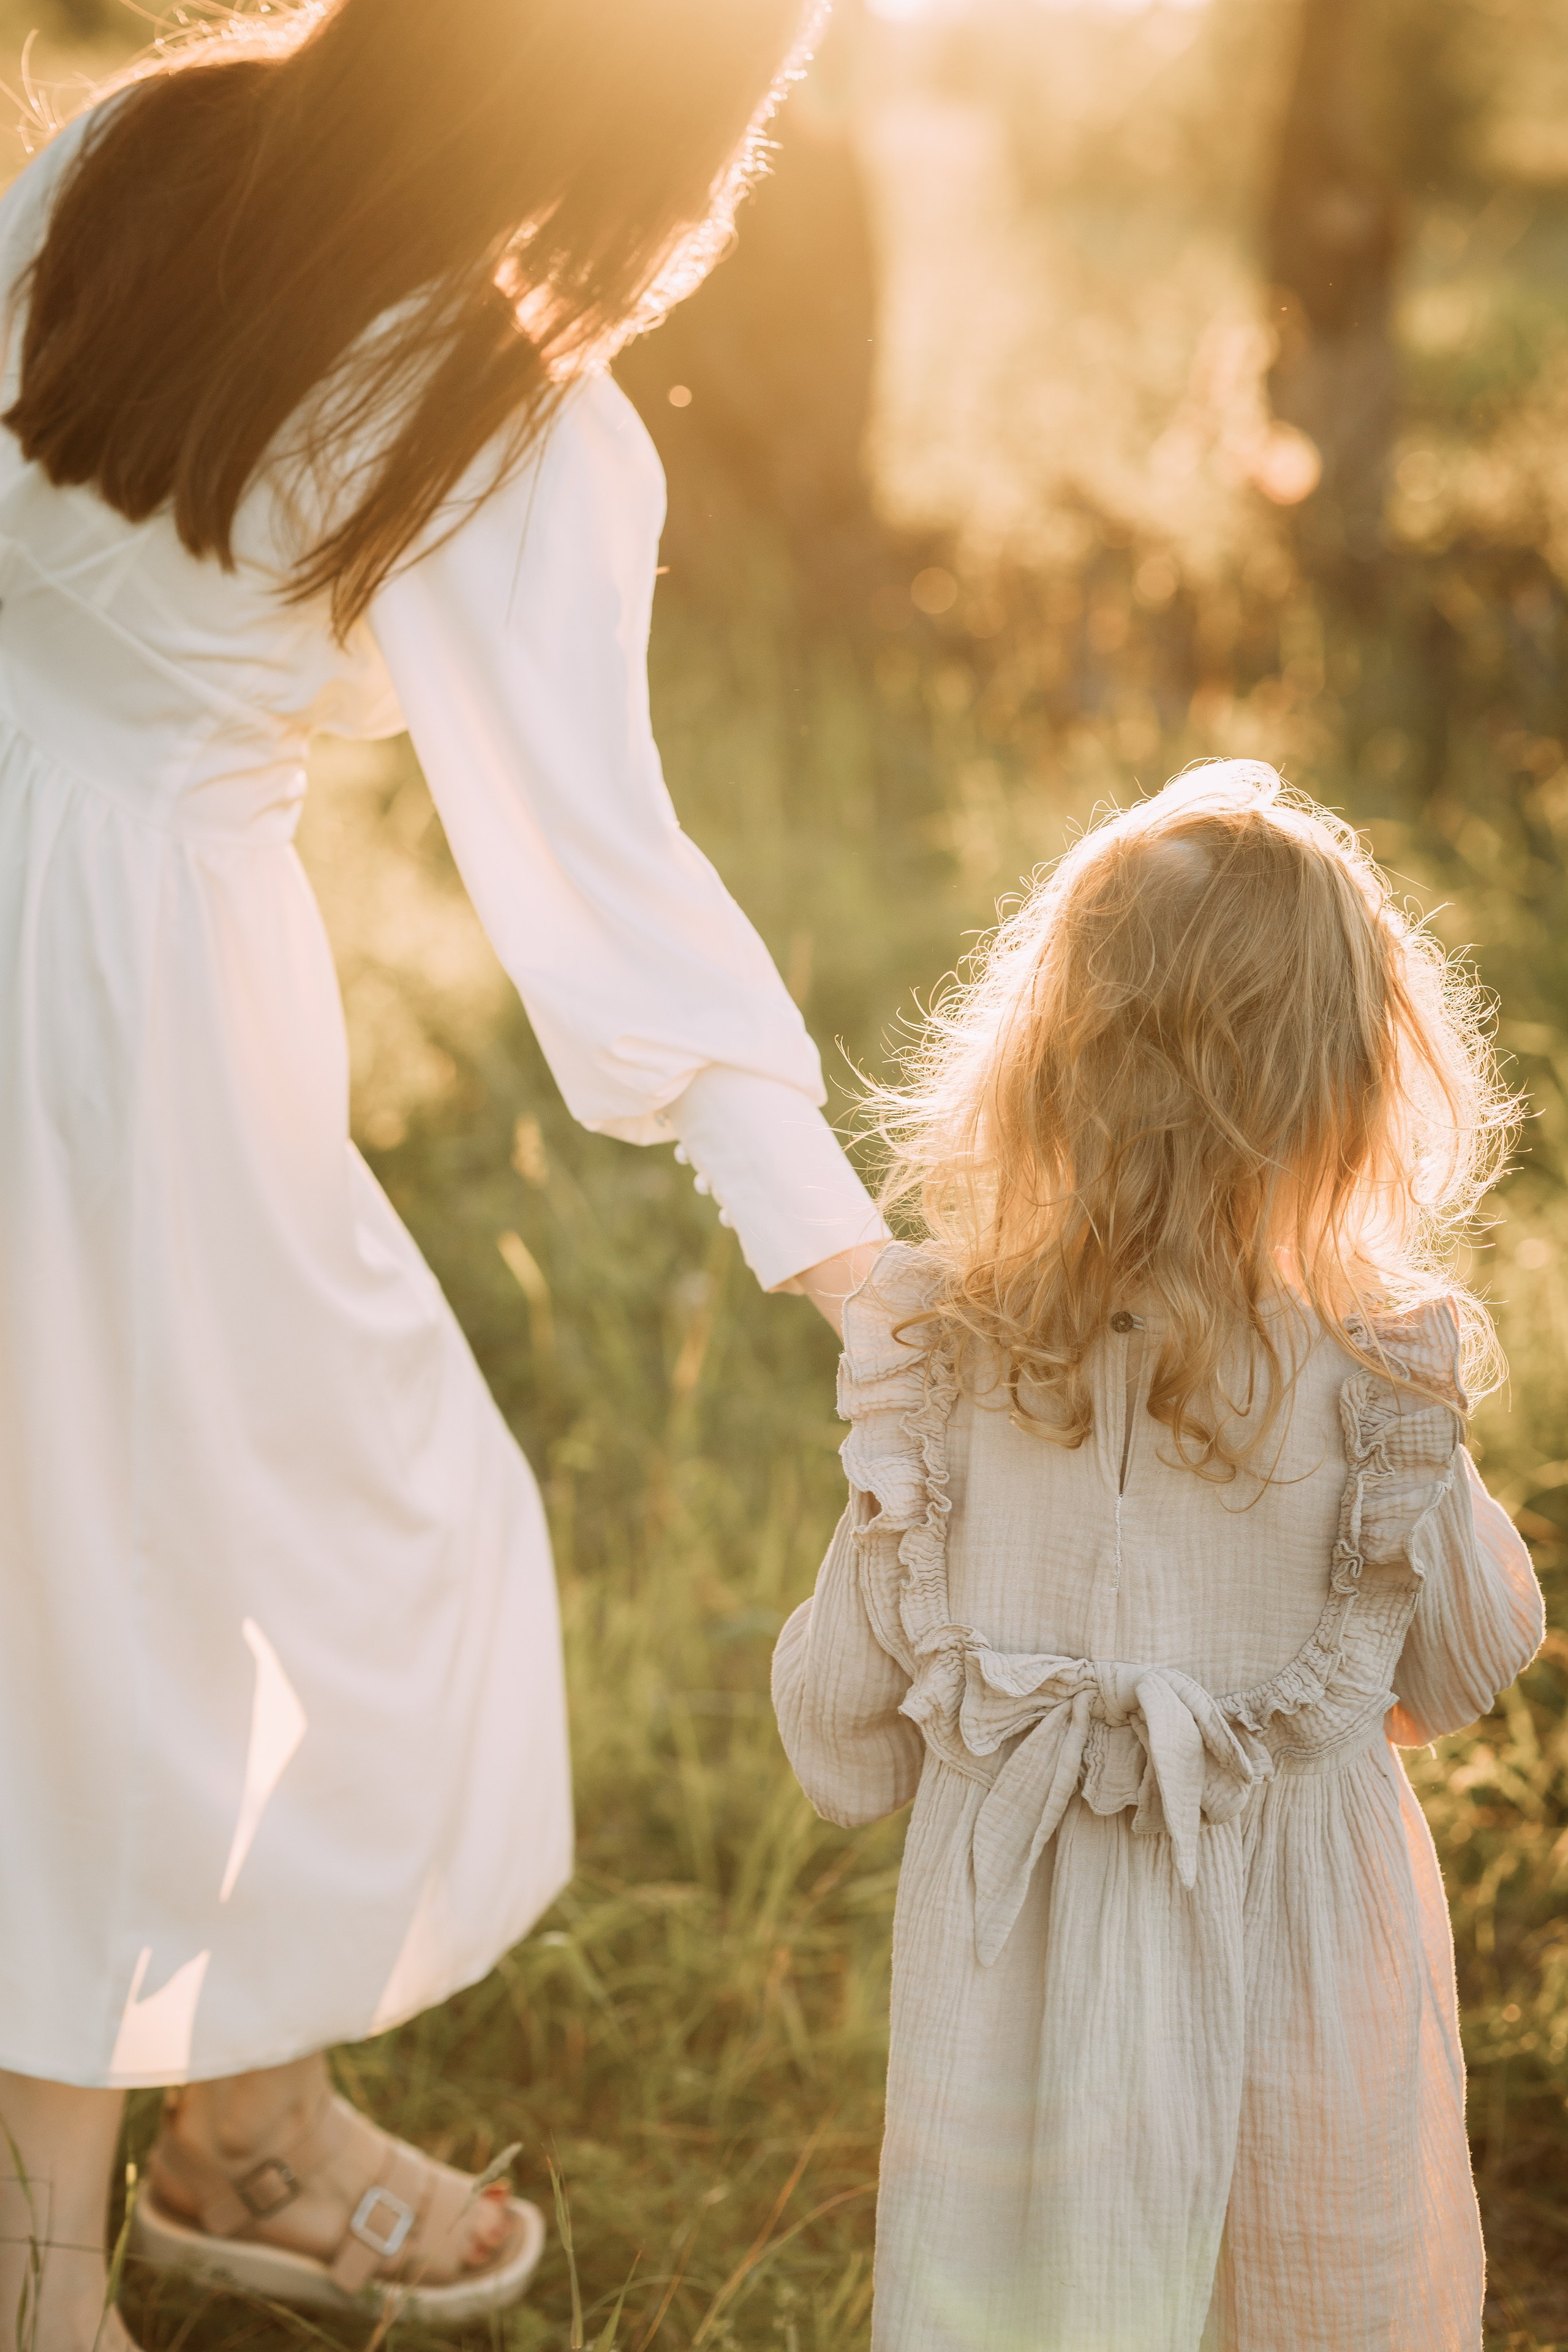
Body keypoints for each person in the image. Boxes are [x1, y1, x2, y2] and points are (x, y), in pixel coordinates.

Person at [0, 2, 889, 2345]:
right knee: (203, 1569)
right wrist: (840, 1249)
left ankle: (241, 2120)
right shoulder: (504, 416)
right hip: (132, 987)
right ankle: (44, 2275)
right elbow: (609, 880)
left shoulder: (134, 151)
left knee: (133, 1537)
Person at [772, 762, 1545, 2352]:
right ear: (1356, 1086)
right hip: (1298, 1980)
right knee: (1306, 2288)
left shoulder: (941, 1357)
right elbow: (1471, 1658)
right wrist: (1285, 1718)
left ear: (1044, 1066)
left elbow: (840, 1732)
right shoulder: (1377, 1370)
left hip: (1022, 2004)